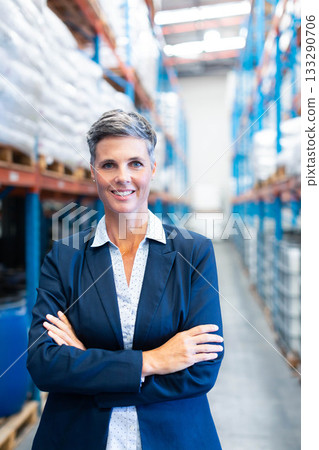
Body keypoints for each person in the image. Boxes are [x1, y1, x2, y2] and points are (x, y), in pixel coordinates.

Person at [27, 109, 224, 450]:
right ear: (93, 173)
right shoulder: (65, 257)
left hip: (172, 436)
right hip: (79, 436)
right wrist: (154, 361)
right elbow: (44, 363)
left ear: (152, 170)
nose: (122, 177)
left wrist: (88, 361)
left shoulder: (194, 253)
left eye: (135, 163)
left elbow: (201, 370)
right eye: (109, 165)